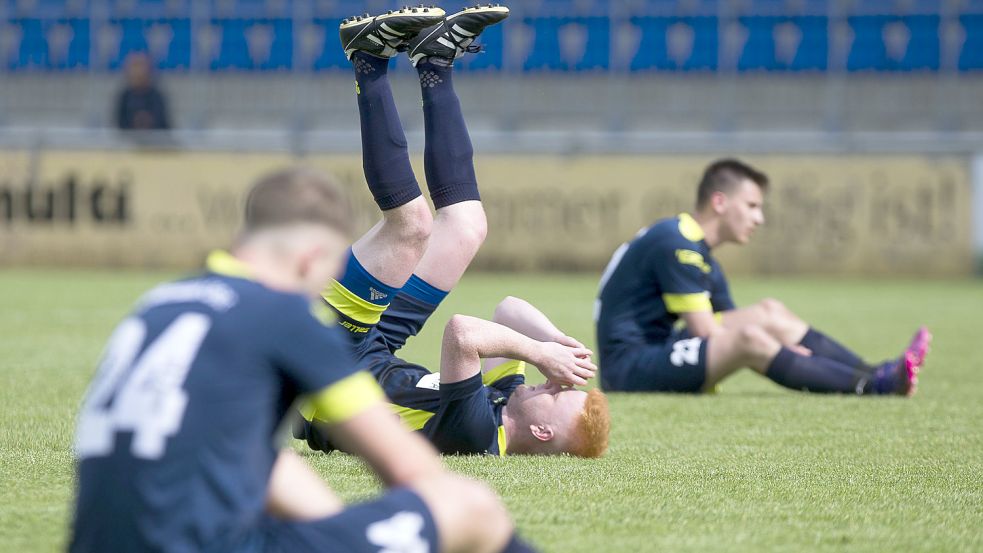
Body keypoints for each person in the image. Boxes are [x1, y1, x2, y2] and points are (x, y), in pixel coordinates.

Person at [70, 164, 534, 552]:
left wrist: (335, 528)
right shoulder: (283, 315)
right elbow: (411, 471)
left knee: (271, 464)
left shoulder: (160, 303)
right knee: (471, 507)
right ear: (311, 259)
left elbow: (258, 464)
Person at [295, 5, 609, 458]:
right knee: (467, 227)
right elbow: (508, 310)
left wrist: (541, 355)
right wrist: (556, 343)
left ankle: (368, 59)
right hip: (376, 350)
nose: (551, 385)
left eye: (558, 396)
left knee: (412, 227)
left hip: (328, 369)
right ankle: (435, 62)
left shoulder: (476, 435)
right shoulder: (506, 404)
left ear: (542, 433)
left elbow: (462, 333)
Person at [595, 158, 932, 396]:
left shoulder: (699, 252)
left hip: (659, 349)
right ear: (720, 202)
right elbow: (707, 332)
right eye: (752, 205)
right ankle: (876, 387)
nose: (760, 218)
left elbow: (728, 319)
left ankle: (879, 371)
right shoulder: (677, 245)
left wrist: (783, 345)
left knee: (768, 312)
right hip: (629, 368)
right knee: (750, 340)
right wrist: (782, 351)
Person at [115, 52, 171, 131]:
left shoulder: (157, 96)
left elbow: (163, 125)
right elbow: (119, 125)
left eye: (141, 66)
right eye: (134, 66)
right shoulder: (124, 97)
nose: (138, 71)